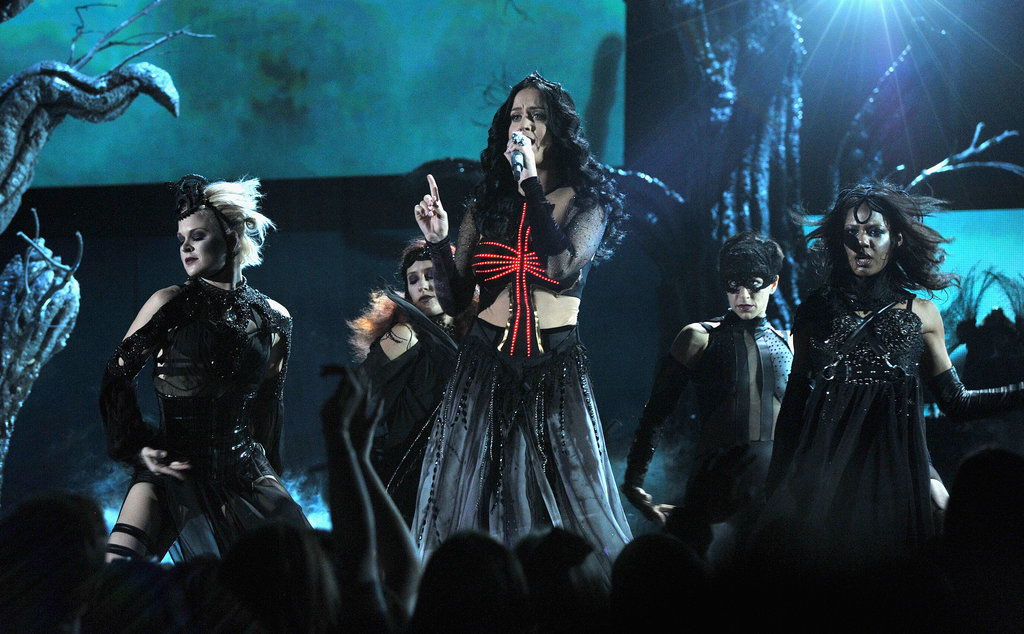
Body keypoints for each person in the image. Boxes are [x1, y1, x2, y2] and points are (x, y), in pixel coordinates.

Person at [411, 72, 631, 572]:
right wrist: (439, 243)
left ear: (558, 128)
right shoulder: (487, 204)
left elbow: (559, 267)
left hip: (553, 364)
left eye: (537, 115)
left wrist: (531, 183)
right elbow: (455, 299)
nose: (525, 125)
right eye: (516, 116)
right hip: (484, 362)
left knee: (560, 489)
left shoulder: (586, 201)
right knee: (480, 490)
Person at [763, 182, 1024, 570]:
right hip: (824, 482)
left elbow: (955, 401)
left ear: (897, 239)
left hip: (896, 481)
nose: (862, 242)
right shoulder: (814, 311)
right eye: (851, 233)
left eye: (874, 232)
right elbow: (794, 404)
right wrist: (775, 487)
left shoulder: (922, 315)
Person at [100, 174, 309, 562]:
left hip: (243, 471)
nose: (186, 247)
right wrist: (139, 446)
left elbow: (267, 407)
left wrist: (268, 477)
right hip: (173, 469)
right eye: (181, 239)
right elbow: (117, 376)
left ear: (231, 238)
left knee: (305, 568)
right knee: (116, 574)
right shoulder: (168, 303)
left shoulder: (274, 318)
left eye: (197, 236)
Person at [621, 232, 792, 558]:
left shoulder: (790, 344)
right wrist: (634, 480)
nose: (743, 295)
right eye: (733, 285)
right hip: (716, 490)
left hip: (774, 494)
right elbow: (656, 413)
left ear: (773, 284)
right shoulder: (699, 337)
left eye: (754, 285)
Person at [347, 238, 471, 522]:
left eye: (431, 275)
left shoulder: (472, 336)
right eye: (413, 280)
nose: (422, 286)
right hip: (414, 472)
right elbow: (355, 394)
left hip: (461, 466)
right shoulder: (406, 334)